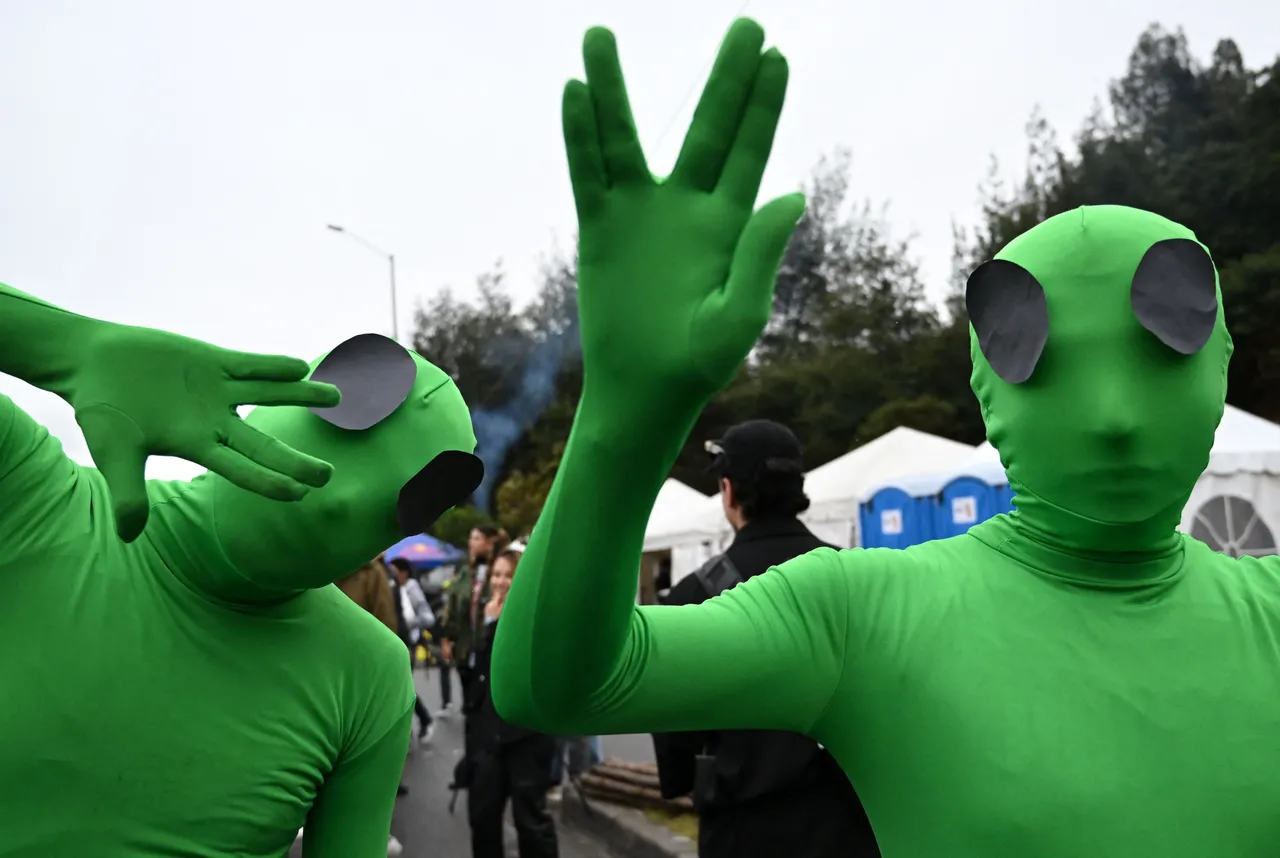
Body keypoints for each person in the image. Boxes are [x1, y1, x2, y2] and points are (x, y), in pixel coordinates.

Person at [491, 18, 1280, 858]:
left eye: (1165, 345)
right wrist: (627, 411)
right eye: (1040, 358)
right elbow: (558, 683)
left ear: (1222, 359)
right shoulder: (862, 615)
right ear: (985, 385)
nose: (1114, 413)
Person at [0, 293, 484, 858]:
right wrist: (70, 345)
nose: (340, 498)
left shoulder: (369, 674)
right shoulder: (32, 493)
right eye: (348, 412)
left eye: (414, 499)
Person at [652, 419, 878, 858]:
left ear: (729, 491)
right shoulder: (861, 578)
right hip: (847, 823)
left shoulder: (694, 595)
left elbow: (674, 727)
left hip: (742, 827)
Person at [466, 549, 559, 858]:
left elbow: (511, 665)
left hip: (527, 733)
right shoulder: (487, 611)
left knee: (530, 821)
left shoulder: (535, 614)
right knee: (483, 818)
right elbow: (480, 672)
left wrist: (494, 627)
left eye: (508, 575)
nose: (501, 581)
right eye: (496, 574)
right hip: (488, 733)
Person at [441, 523, 501, 697]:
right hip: (465, 647)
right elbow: (452, 604)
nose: (471, 543)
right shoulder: (465, 572)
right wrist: (447, 637)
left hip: (489, 644)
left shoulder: (498, 571)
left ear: (489, 543)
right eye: (471, 538)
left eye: (476, 538)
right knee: (469, 700)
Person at [388, 556, 438, 744]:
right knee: (400, 689)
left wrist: (409, 624)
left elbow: (428, 618)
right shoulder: (395, 587)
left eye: (394, 571)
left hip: (408, 643)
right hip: (400, 642)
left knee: (401, 689)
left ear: (403, 573)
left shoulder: (411, 589)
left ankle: (422, 721)